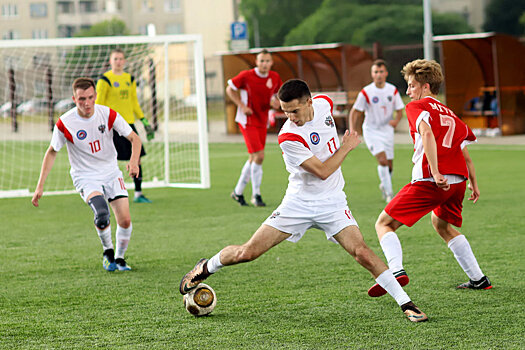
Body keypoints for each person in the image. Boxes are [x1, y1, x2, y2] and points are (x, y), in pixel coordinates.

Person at [180, 79, 428, 323]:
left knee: (361, 251)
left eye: (294, 111)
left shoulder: (324, 104)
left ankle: (407, 304)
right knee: (248, 252)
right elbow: (322, 171)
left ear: (310, 101)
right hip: (298, 204)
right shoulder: (288, 137)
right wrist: (347, 147)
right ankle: (206, 267)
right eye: (285, 112)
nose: (290, 117)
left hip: (332, 202)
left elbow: (331, 119)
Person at [367, 59, 491, 298]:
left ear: (425, 86)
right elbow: (464, 152)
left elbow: (426, 133)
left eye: (412, 85)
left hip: (433, 180)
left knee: (384, 224)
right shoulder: (451, 113)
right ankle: (478, 278)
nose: (408, 91)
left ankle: (396, 270)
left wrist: (434, 172)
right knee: (441, 224)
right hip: (458, 182)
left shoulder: (417, 107)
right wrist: (474, 183)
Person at [32, 77, 142, 272]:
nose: (87, 103)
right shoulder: (65, 123)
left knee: (124, 220)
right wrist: (40, 185)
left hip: (110, 172)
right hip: (85, 176)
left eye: (90, 97)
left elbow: (134, 138)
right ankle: (108, 253)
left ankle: (120, 258)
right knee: (102, 213)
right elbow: (52, 151)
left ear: (96, 96)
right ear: (74, 99)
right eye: (82, 99)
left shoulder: (107, 114)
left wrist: (134, 162)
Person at [96, 48, 154, 204]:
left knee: (137, 159)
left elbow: (134, 102)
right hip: (111, 126)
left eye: (121, 59)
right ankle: (103, 193)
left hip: (128, 124)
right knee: (108, 161)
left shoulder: (130, 79)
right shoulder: (104, 79)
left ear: (125, 61)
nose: (118, 61)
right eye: (115, 59)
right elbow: (99, 104)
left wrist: (143, 119)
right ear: (110, 61)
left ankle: (138, 193)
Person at [226, 49, 282, 207]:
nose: (264, 64)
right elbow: (229, 89)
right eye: (261, 61)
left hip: (261, 120)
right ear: (256, 62)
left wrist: (275, 102)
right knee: (259, 156)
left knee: (254, 158)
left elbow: (276, 96)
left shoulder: (274, 77)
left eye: (267, 61)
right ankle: (256, 195)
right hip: (247, 120)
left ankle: (238, 192)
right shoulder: (246, 75)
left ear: (271, 62)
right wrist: (241, 105)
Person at [349, 59, 404, 203]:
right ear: (372, 74)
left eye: (381, 72)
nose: (378, 75)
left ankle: (384, 185)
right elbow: (354, 112)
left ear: (386, 73)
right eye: (375, 72)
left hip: (387, 130)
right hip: (371, 131)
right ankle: (390, 194)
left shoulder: (392, 90)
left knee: (390, 165)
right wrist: (353, 129)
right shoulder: (366, 92)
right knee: (383, 160)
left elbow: (400, 109)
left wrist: (396, 121)